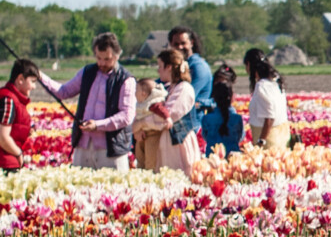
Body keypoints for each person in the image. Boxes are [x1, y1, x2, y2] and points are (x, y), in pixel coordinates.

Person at [51, 33, 136, 171]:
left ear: (117, 56)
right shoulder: (87, 72)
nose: (102, 63)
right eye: (98, 58)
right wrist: (39, 75)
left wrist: (97, 125)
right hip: (84, 145)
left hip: (111, 148)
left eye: (107, 59)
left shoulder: (126, 80)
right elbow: (64, 91)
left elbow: (126, 116)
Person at [136, 48, 201, 174]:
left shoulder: (184, 89)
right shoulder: (169, 87)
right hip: (166, 141)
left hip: (177, 143)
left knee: (177, 175)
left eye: (160, 66)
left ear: (169, 67)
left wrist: (142, 123)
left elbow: (169, 115)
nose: (158, 70)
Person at [169, 26, 214, 132]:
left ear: (191, 43)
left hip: (192, 126)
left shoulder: (198, 67)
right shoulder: (176, 65)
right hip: (178, 124)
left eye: (183, 43)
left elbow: (185, 97)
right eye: (176, 44)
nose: (180, 47)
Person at [244, 48, 290, 151]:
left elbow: (269, 118)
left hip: (269, 139)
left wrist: (261, 141)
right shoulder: (276, 80)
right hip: (282, 134)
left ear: (249, 64)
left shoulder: (262, 86)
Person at [0, 58, 40, 172]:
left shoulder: (16, 101)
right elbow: (2, 137)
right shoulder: (8, 100)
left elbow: (13, 129)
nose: (34, 87)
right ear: (20, 79)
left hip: (8, 160)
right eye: (32, 81)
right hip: (5, 163)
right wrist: (18, 154)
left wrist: (27, 130)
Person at [201, 64, 245, 155]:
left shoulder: (207, 118)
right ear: (231, 96)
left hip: (213, 156)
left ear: (214, 96)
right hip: (233, 155)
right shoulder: (237, 118)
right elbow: (240, 137)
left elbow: (205, 136)